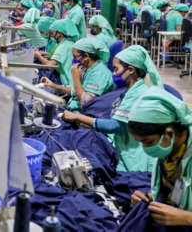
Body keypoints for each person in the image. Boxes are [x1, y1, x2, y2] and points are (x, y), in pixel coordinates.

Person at [61, 45, 162, 172]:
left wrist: (79, 117)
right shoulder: (130, 89)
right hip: (120, 140)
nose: (113, 74)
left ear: (130, 70)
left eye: (116, 69)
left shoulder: (138, 94)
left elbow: (116, 126)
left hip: (133, 155)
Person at [129, 87, 192, 225]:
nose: (146, 149)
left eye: (148, 142)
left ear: (169, 134)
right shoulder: (169, 150)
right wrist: (150, 197)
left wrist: (186, 218)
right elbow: (172, 187)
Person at [41, 38, 113, 112]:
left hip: (82, 115)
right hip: (72, 109)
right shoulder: (87, 68)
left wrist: (75, 77)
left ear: (86, 56)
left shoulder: (99, 73)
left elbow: (86, 102)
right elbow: (74, 90)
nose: (73, 60)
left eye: (75, 56)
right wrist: (53, 85)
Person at [34, 19, 78, 87]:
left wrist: (38, 56)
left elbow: (50, 65)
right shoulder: (69, 43)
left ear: (60, 33)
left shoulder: (64, 46)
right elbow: (62, 57)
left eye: (52, 33)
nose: (52, 36)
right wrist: (48, 55)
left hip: (67, 82)